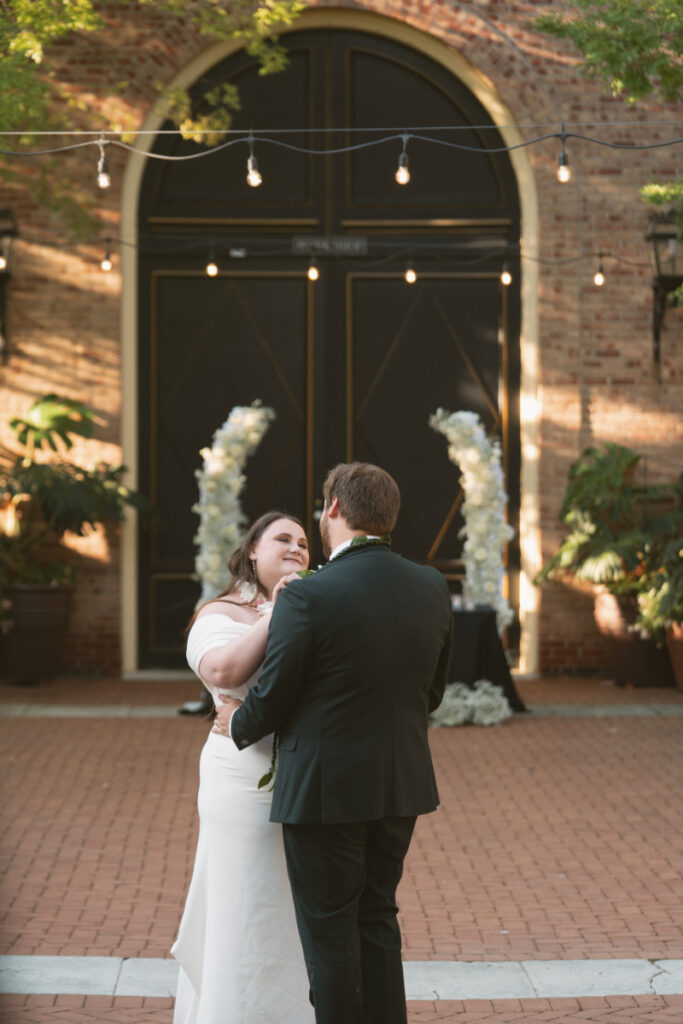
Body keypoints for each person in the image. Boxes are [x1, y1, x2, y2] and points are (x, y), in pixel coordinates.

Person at [214, 463, 453, 1024]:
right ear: (387, 518)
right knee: (377, 920)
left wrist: (236, 721)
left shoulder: (309, 595)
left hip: (324, 794)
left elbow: (271, 697)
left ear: (335, 510)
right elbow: (433, 694)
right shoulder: (431, 586)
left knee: (329, 940)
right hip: (399, 785)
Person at [172, 510, 315, 1024]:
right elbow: (224, 670)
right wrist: (277, 612)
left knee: (290, 916)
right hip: (240, 784)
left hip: (302, 778)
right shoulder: (221, 613)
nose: (298, 547)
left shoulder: (315, 611)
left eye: (304, 541)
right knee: (246, 907)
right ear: (253, 550)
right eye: (283, 538)